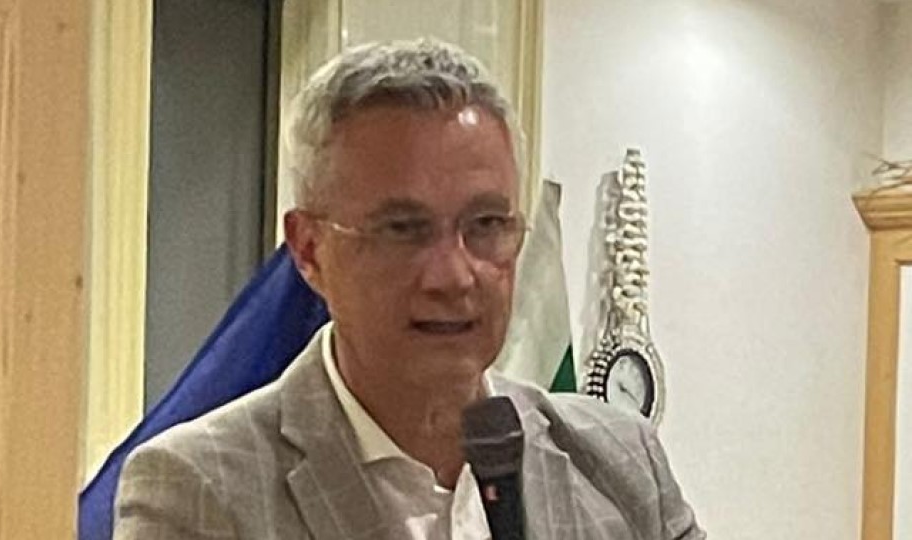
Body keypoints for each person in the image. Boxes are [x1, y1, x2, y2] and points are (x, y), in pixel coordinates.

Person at [113, 38, 705, 540]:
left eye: (486, 224)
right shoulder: (199, 489)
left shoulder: (619, 463)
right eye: (403, 229)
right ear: (309, 250)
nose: (454, 275)